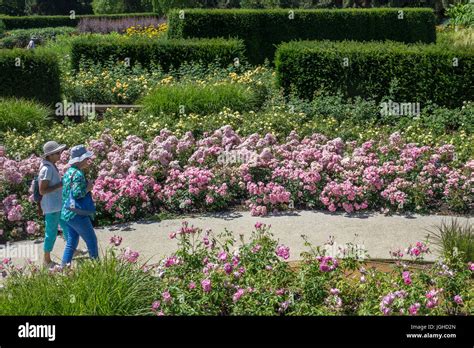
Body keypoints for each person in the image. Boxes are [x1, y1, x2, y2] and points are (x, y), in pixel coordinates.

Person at [61, 145, 98, 266]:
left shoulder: (68, 172)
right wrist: (88, 188)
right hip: (78, 213)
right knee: (91, 240)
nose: (88, 160)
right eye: (86, 158)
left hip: (68, 213)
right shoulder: (78, 174)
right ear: (80, 160)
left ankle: (64, 268)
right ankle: (96, 268)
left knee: (71, 242)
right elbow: (77, 194)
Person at [38, 141, 68, 267]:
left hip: (58, 204)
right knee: (51, 232)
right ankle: (46, 260)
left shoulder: (51, 165)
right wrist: (60, 185)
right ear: (49, 155)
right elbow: (42, 190)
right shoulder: (46, 169)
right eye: (57, 153)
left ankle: (72, 249)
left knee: (68, 227)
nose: (59, 154)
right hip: (52, 207)